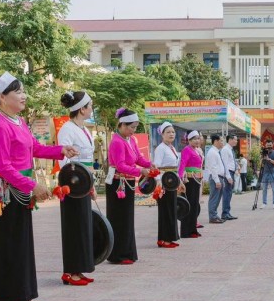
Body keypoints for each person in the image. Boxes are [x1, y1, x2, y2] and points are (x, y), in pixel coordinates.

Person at [0, 72, 74, 301]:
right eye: (18, 92)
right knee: (5, 245)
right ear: (2, 97)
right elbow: (3, 167)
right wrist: (32, 185)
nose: (24, 96)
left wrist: (60, 150)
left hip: (19, 190)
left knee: (20, 244)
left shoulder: (19, 121)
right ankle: (0, 300)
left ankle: (21, 294)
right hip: (6, 192)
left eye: (23, 91)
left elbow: (36, 148)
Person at [57, 90, 97, 286]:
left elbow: (88, 160)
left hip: (84, 182)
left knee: (83, 226)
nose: (92, 109)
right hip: (72, 184)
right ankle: (70, 271)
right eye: (90, 106)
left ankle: (80, 268)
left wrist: (90, 185)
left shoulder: (83, 129)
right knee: (73, 227)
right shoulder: (67, 129)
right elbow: (64, 159)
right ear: (82, 109)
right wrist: (70, 184)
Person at [106, 108, 154, 264]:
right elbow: (120, 166)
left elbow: (138, 158)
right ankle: (117, 254)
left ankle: (127, 252)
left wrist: (150, 165)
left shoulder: (131, 140)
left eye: (135, 127)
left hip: (127, 182)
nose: (134, 130)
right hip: (117, 183)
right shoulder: (116, 142)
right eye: (132, 127)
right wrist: (141, 171)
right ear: (122, 125)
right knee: (119, 218)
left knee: (127, 218)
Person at [152, 122, 181, 247]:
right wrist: (159, 183)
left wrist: (179, 181)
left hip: (172, 183)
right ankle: (163, 239)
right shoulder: (160, 148)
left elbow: (175, 167)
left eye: (173, 132)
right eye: (168, 132)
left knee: (171, 210)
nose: (171, 134)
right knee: (165, 210)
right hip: (164, 184)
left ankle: (169, 237)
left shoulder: (172, 148)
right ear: (162, 134)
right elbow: (156, 166)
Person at [179, 130, 204, 238]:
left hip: (197, 180)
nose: (197, 140)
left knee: (194, 205)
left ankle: (192, 229)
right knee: (189, 205)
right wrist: (180, 179)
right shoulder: (187, 150)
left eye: (198, 138)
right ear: (188, 140)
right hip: (189, 180)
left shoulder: (197, 150)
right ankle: (186, 231)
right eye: (194, 139)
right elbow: (182, 164)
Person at [204, 133, 227, 224]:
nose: (222, 143)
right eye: (221, 141)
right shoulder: (212, 152)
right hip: (215, 178)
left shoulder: (216, 152)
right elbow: (213, 168)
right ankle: (212, 217)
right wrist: (217, 181)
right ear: (216, 141)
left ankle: (214, 215)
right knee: (214, 198)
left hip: (219, 177)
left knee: (217, 198)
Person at [220, 135, 238, 218]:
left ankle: (227, 212)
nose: (236, 141)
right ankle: (225, 213)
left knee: (229, 193)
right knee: (227, 193)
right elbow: (225, 164)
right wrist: (228, 177)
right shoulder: (225, 150)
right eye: (235, 139)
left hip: (231, 172)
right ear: (230, 140)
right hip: (228, 173)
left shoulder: (230, 149)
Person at [259, 138, 274, 208]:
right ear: (266, 145)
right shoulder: (263, 153)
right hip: (265, 173)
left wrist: (269, 159)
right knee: (264, 189)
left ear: (272, 145)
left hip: (272, 173)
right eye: (268, 145)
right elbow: (260, 164)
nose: (269, 147)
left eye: (270, 145)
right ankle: (264, 203)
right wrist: (263, 158)